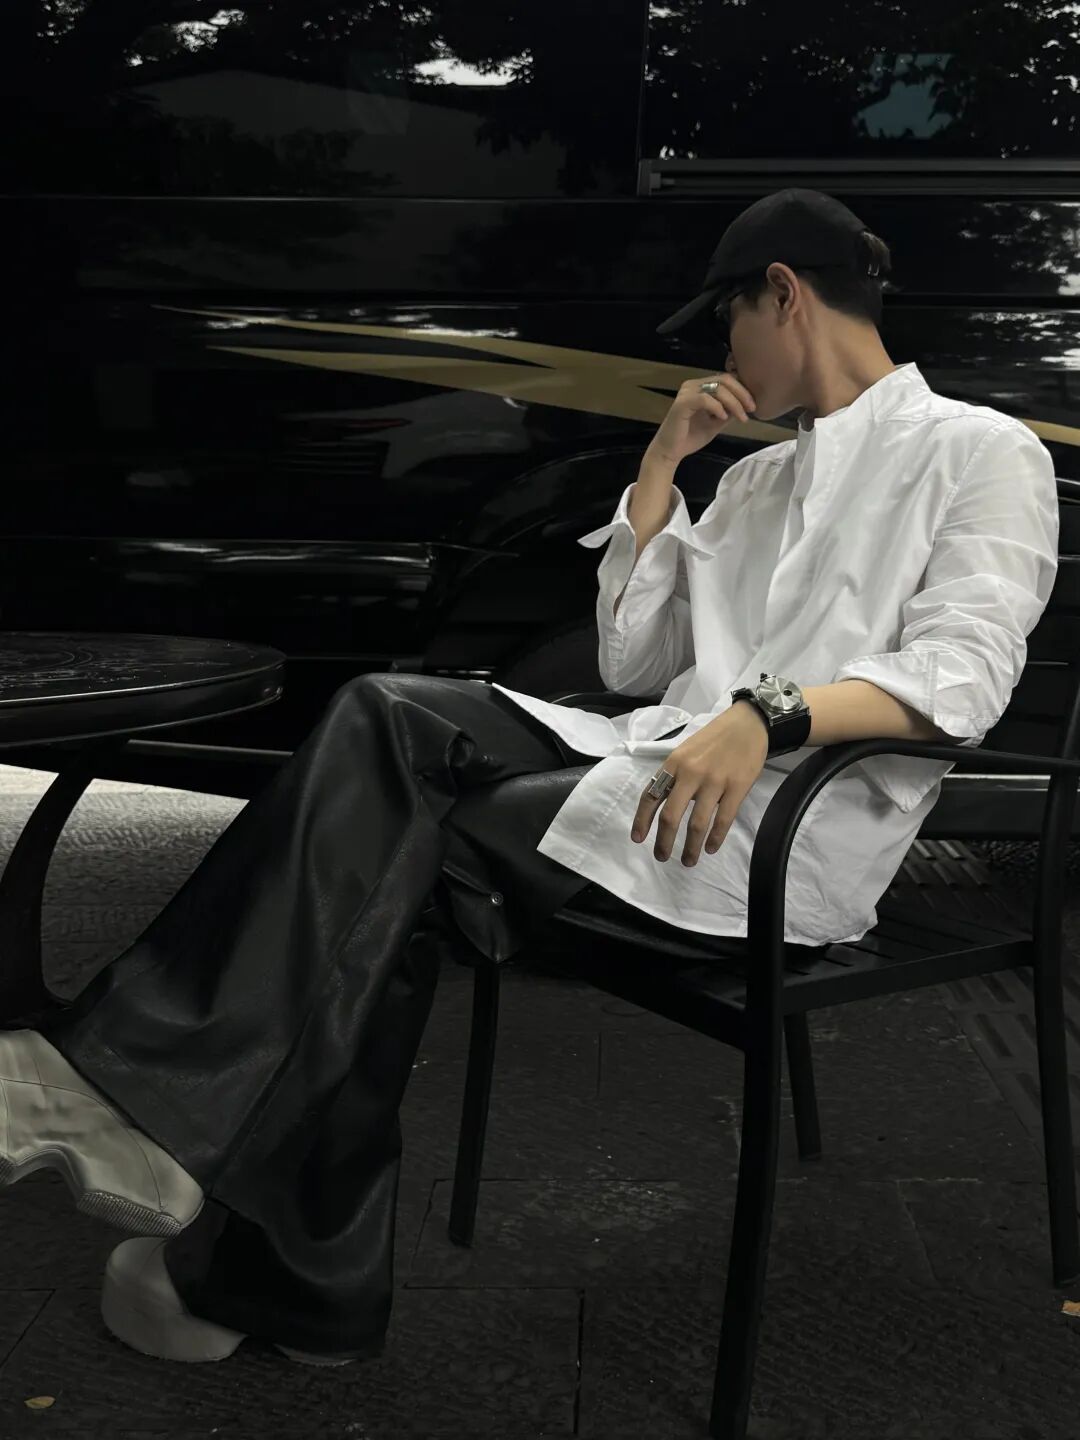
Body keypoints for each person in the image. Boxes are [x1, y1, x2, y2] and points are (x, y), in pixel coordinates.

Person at [0, 188, 1058, 1366]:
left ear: (782, 295)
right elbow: (635, 661)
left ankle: (232, 1210)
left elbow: (967, 674)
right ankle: (248, 1230)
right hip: (653, 770)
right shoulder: (758, 480)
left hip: (777, 841)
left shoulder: (980, 451)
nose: (724, 356)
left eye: (726, 323)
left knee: (386, 857)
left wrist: (771, 713)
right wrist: (662, 464)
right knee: (384, 737)